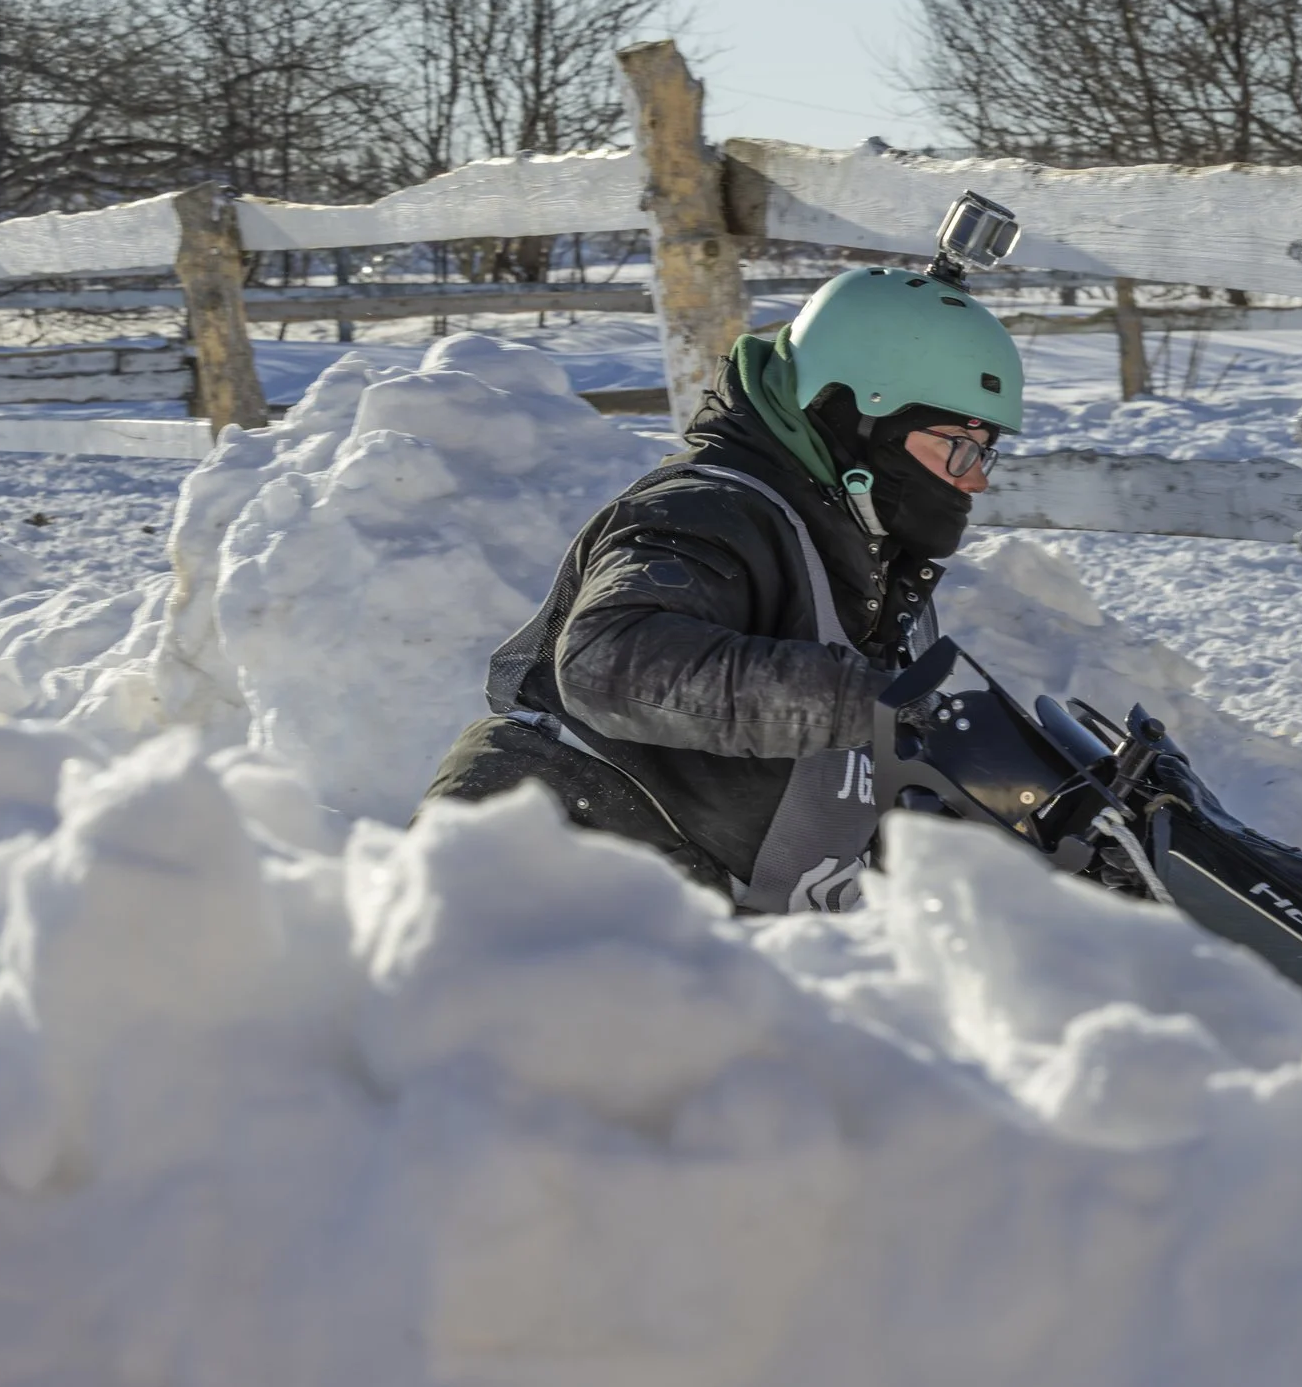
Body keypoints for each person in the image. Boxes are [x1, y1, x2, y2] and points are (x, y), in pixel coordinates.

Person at [419, 263, 1024, 913]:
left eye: (983, 451)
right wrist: (865, 702)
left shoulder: (869, 564)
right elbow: (608, 660)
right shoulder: (709, 509)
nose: (975, 480)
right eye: (956, 445)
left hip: (670, 909)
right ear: (856, 417)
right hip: (540, 870)